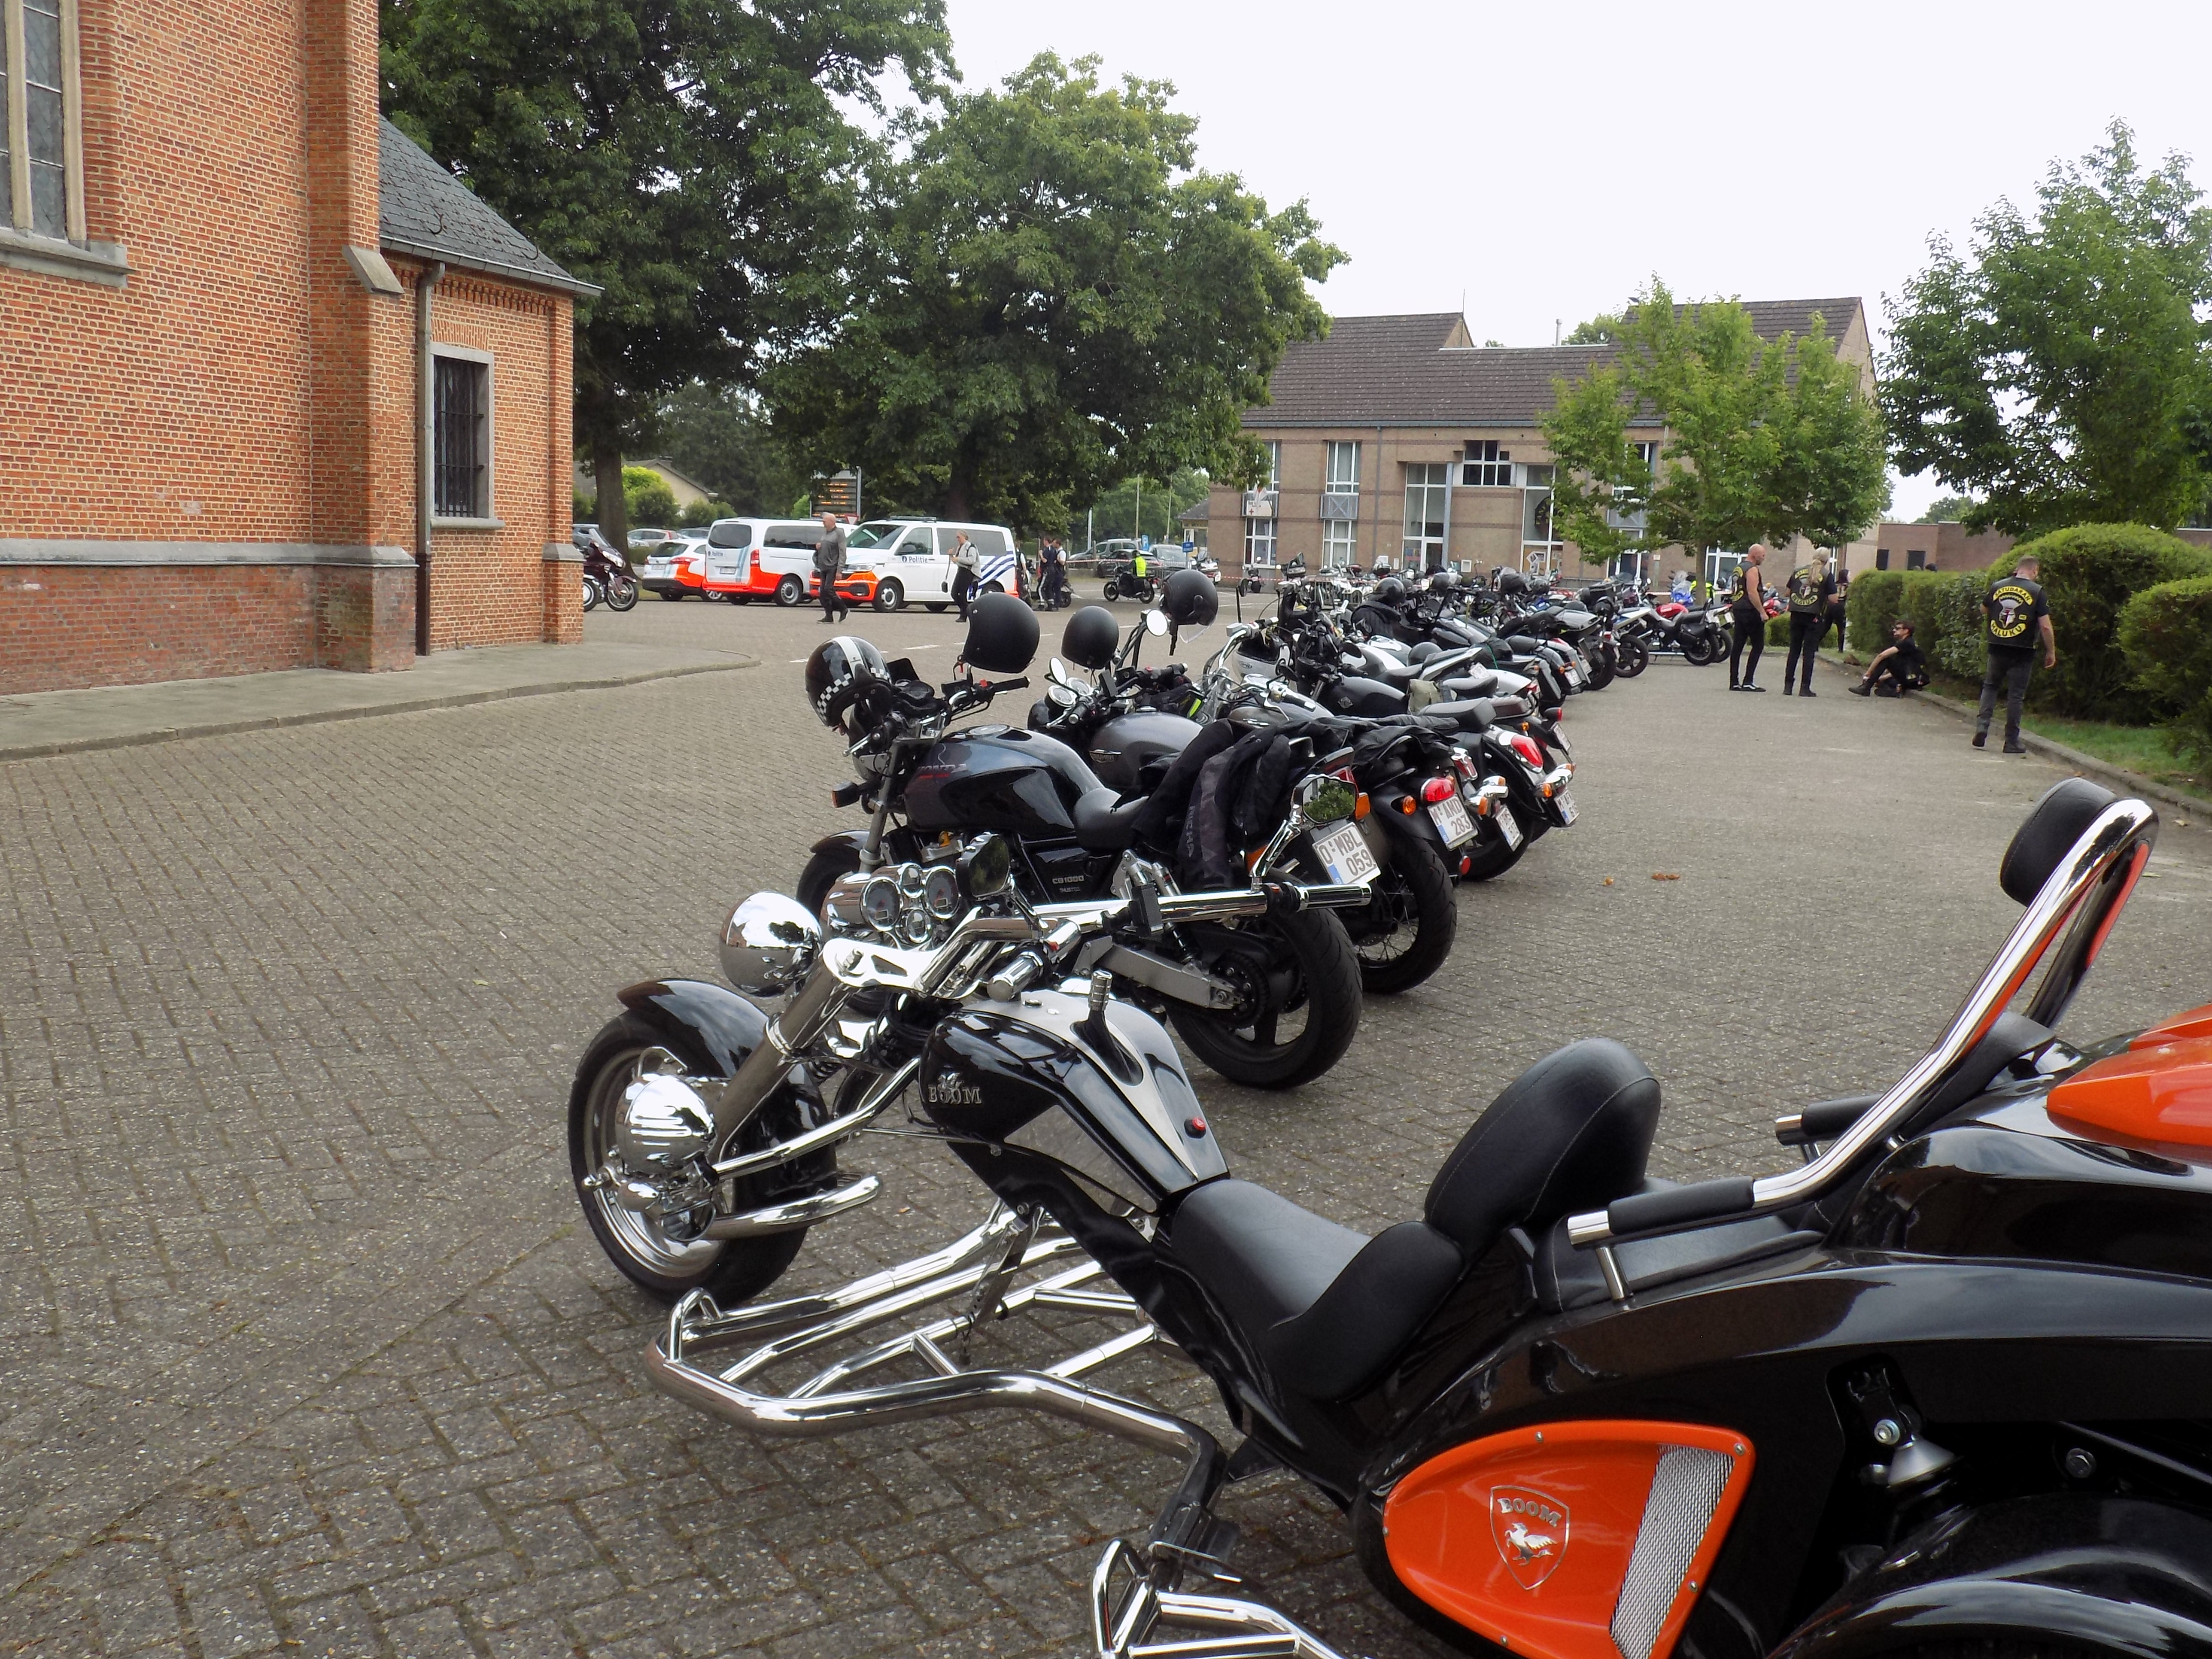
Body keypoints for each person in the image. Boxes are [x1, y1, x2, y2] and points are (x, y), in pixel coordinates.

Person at [1975, 554, 2056, 754]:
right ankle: (2011, 741)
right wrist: (2051, 651)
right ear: (2035, 570)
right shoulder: (2037, 591)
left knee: (1990, 687)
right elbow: (2045, 627)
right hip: (2023, 649)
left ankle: (1982, 728)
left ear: (2018, 569)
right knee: (2016, 695)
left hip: (1997, 644)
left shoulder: (1998, 586)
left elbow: (1983, 609)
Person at [1781, 554, 1838, 696]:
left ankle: (1788, 687)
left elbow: (1787, 593)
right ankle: (1805, 688)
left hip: (1796, 614)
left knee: (1794, 651)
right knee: (1809, 653)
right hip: (1814, 616)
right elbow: (1834, 599)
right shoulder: (1827, 575)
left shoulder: (1798, 571)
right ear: (1827, 560)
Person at [1847, 620, 1928, 697]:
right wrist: (1882, 678)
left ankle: (1866, 688)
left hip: (1914, 680)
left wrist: (1869, 673)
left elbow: (1882, 656)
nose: (1894, 630)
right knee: (1883, 682)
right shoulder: (1908, 643)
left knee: (1886, 660)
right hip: (1912, 678)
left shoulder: (1907, 644)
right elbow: (1901, 669)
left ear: (1906, 631)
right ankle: (1895, 691)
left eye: (1898, 628)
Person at [1728, 544, 1770, 691]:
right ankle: (1748, 681)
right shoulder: (1752, 570)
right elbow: (1752, 592)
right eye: (1763, 556)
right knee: (1758, 645)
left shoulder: (1739, 568)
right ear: (1755, 555)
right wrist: (1762, 612)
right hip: (1750, 610)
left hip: (1738, 608)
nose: (1764, 559)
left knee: (1738, 646)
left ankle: (1734, 682)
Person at [814, 511, 848, 624]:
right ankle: (829, 616)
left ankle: (843, 608)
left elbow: (842, 552)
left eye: (825, 521)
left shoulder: (839, 533)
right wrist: (818, 547)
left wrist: (839, 570)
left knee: (828, 589)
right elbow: (824, 548)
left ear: (832, 522)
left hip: (833, 566)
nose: (823, 523)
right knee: (823, 593)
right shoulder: (825, 534)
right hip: (823, 566)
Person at [948, 531, 979, 620]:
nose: (957, 539)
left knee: (962, 594)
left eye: (959, 537)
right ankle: (966, 610)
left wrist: (958, 559)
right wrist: (951, 556)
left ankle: (964, 615)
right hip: (961, 571)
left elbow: (971, 560)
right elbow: (957, 561)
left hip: (968, 572)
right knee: (954, 593)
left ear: (964, 537)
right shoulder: (960, 547)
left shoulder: (971, 547)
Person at [1824, 576, 1849, 655]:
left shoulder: (1835, 584)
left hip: (1831, 606)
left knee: (1826, 626)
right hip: (1841, 607)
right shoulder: (1847, 586)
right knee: (1841, 628)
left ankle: (1816, 644)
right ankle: (1840, 649)